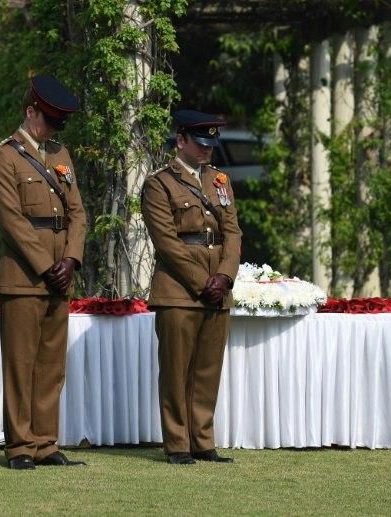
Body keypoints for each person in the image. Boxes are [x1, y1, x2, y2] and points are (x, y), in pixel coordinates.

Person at [0, 75, 88, 470]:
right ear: (30, 113)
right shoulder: (5, 157)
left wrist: (71, 259)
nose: (53, 129)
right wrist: (48, 266)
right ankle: (20, 447)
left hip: (60, 271)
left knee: (50, 365)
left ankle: (46, 443)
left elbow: (77, 212)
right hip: (25, 276)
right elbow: (11, 221)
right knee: (21, 363)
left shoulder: (61, 154)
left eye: (58, 123)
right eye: (48, 120)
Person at [141, 109, 242, 465]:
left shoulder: (219, 181)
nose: (207, 150)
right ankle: (178, 443)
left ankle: (203, 440)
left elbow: (233, 233)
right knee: (176, 369)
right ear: (181, 140)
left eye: (211, 144)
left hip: (218, 285)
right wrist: (204, 282)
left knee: (207, 370)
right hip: (179, 288)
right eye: (200, 143)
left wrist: (226, 276)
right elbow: (166, 242)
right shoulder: (159, 183)